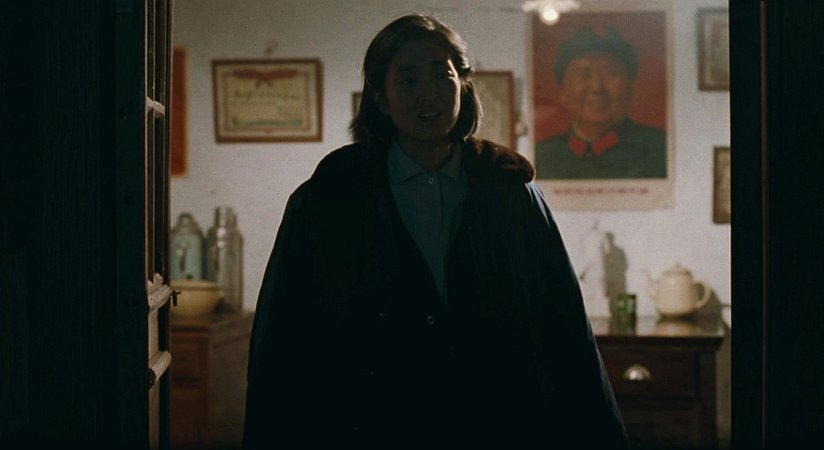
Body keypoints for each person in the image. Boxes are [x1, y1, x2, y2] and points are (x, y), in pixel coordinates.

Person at [242, 14, 629, 449]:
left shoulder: (509, 191)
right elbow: (283, 343)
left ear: (462, 84)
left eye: (442, 76)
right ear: (381, 98)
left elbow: (566, 330)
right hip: (369, 423)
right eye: (408, 81)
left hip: (496, 422)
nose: (429, 94)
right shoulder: (330, 198)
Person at [535, 26, 666, 179]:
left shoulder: (661, 150)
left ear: (630, 87)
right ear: (563, 92)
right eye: (583, 75)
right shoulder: (540, 156)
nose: (597, 88)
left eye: (611, 74)